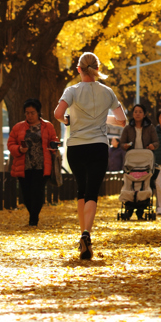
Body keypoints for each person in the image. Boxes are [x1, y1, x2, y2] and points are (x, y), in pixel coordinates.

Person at [55, 52, 127, 259]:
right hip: (98, 146)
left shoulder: (72, 91)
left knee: (81, 188)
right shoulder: (107, 92)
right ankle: (87, 233)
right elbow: (122, 120)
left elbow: (57, 114)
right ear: (97, 69)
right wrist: (103, 119)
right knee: (92, 191)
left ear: (79, 69)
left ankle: (82, 234)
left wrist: (68, 121)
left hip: (76, 147)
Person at [8, 99, 58, 228]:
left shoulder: (47, 126)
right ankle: (32, 214)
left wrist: (54, 146)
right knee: (26, 193)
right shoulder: (18, 127)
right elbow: (10, 144)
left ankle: (33, 218)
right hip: (24, 165)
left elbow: (54, 139)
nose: (29, 115)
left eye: (32, 113)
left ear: (38, 112)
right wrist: (19, 149)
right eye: (27, 113)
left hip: (42, 165)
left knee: (38, 191)